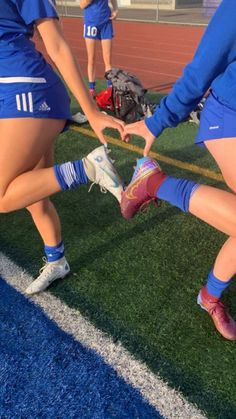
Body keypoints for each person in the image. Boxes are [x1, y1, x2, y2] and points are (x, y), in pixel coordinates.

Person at [121, 0, 236, 341]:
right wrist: (158, 120)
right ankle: (154, 183)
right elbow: (203, 67)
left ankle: (210, 295)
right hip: (229, 115)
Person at [0, 0, 124, 295]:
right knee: (34, 195)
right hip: (16, 91)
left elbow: (56, 45)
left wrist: (91, 111)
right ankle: (57, 261)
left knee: (2, 196)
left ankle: (87, 169)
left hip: (27, 90)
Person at [80, 0, 118, 97]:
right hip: (91, 22)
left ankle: (110, 88)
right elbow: (82, 5)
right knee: (91, 58)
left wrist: (115, 9)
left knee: (108, 60)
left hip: (106, 22)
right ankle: (92, 88)